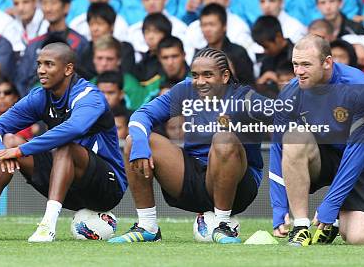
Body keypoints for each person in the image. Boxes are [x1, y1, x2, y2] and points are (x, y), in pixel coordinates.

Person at [0, 42, 127, 242]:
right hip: (66, 184)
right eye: (39, 64)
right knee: (7, 143)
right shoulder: (40, 96)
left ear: (68, 69)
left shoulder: (89, 96)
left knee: (65, 147)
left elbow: (74, 128)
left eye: (49, 64)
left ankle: (47, 227)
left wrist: (20, 151)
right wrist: (0, 151)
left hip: (107, 187)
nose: (41, 71)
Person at [109, 48, 270, 244]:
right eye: (195, 75)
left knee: (223, 139)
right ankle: (147, 226)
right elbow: (141, 115)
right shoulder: (185, 91)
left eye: (208, 75)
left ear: (225, 76)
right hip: (194, 178)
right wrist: (141, 146)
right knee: (134, 140)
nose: (200, 81)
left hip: (238, 187)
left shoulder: (245, 98)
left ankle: (223, 225)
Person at [270, 34, 364, 246]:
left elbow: (356, 153)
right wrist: (279, 207)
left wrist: (331, 204)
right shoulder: (289, 94)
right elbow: (277, 148)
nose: (298, 72)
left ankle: (333, 223)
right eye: (295, 64)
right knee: (294, 138)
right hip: (319, 158)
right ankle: (301, 227)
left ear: (327, 63)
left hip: (360, 164)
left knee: (360, 238)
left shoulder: (361, 87)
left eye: (306, 64)